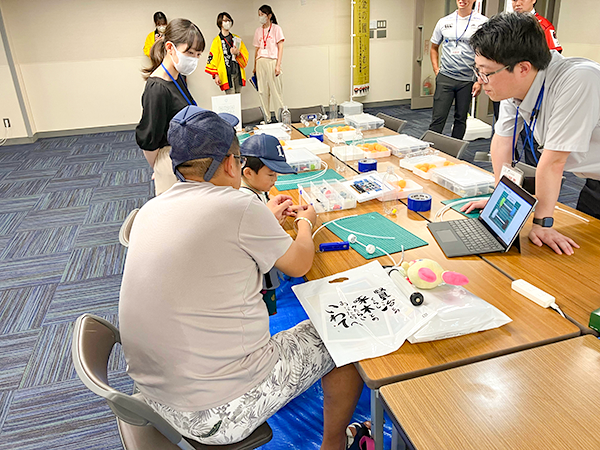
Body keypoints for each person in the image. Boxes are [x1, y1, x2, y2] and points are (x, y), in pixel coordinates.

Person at [120, 105, 366, 448]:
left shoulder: (152, 208)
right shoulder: (239, 207)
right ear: (230, 163)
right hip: (217, 412)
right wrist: (305, 223)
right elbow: (298, 264)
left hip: (149, 396)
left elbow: (213, 236)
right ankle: (333, 444)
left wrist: (262, 218)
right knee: (346, 327)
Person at [463, 12, 600, 255]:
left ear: (523, 68)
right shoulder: (511, 84)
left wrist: (542, 224)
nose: (482, 81)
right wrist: (499, 200)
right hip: (593, 179)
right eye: (478, 71)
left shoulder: (579, 79)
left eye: (486, 72)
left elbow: (554, 160)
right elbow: (502, 141)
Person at [135, 18, 204, 196]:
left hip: (185, 157)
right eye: (189, 52)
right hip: (170, 161)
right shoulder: (157, 88)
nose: (194, 59)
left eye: (198, 54)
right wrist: (160, 167)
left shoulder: (177, 77)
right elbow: (149, 142)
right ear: (170, 48)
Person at [492, 0, 563, 166]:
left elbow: (552, 58)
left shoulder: (542, 26)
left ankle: (533, 172)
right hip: (512, 86)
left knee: (533, 141)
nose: (517, 3)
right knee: (507, 133)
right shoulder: (505, 24)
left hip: (533, 92)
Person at [239, 134, 297, 316]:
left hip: (263, 265)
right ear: (248, 172)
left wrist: (273, 212)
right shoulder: (245, 201)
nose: (275, 180)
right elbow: (298, 266)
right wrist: (305, 223)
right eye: (271, 175)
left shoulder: (256, 190)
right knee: (266, 310)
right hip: (258, 279)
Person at [429, 0, 487, 140]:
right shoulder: (444, 22)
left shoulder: (483, 23)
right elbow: (434, 47)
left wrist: (479, 80)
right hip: (446, 77)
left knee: (461, 119)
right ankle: (430, 150)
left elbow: (486, 53)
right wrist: (437, 70)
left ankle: (454, 154)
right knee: (438, 118)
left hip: (467, 79)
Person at [253, 5, 285, 123]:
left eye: (262, 15)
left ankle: (279, 117)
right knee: (262, 91)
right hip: (260, 61)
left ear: (269, 16)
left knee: (276, 91)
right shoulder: (258, 30)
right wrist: (254, 66)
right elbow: (256, 50)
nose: (260, 17)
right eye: (259, 15)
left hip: (272, 60)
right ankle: (267, 118)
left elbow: (280, 48)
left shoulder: (276, 29)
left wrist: (278, 65)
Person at [205, 12, 249, 94]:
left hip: (237, 71)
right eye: (225, 20)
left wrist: (238, 53)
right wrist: (216, 75)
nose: (228, 22)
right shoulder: (217, 41)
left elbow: (245, 53)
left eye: (229, 20)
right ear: (220, 22)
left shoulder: (236, 38)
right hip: (226, 74)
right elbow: (213, 59)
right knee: (231, 98)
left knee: (238, 96)